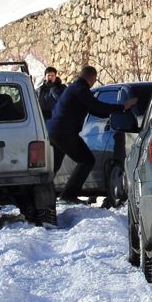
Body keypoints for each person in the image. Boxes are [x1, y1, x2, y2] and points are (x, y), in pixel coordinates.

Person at [47, 65, 136, 202]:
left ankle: (41, 195)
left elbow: (95, 110)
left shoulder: (74, 88)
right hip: (64, 132)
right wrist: (123, 107)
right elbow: (97, 106)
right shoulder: (80, 90)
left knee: (54, 166)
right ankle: (68, 195)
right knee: (86, 160)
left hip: (55, 131)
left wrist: (114, 111)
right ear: (92, 79)